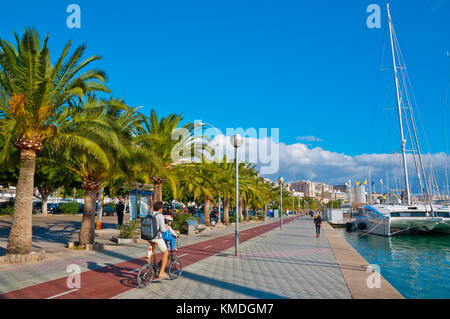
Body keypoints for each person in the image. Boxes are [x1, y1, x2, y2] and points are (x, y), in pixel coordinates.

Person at [147, 201, 170, 279]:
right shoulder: (160, 216)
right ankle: (162, 272)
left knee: (153, 244)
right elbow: (162, 230)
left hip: (147, 236)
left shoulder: (149, 214)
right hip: (156, 237)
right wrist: (167, 228)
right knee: (165, 253)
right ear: (160, 209)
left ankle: (148, 258)